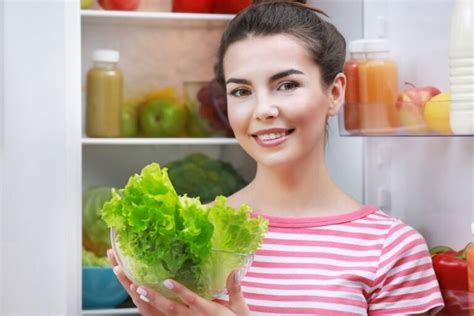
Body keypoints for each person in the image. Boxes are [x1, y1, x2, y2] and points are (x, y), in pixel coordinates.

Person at [108, 1, 445, 315]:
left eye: (286, 85)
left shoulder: (390, 248)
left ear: (335, 93)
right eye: (242, 91)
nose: (263, 110)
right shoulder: (192, 234)